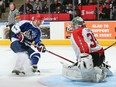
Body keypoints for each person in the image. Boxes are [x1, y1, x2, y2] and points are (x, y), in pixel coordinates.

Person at [62, 16, 112, 82]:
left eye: (74, 25)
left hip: (92, 58)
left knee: (84, 64)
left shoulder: (76, 32)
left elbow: (83, 46)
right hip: (101, 56)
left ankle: (95, 69)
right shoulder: (87, 29)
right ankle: (101, 65)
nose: (73, 26)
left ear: (77, 24)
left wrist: (84, 59)